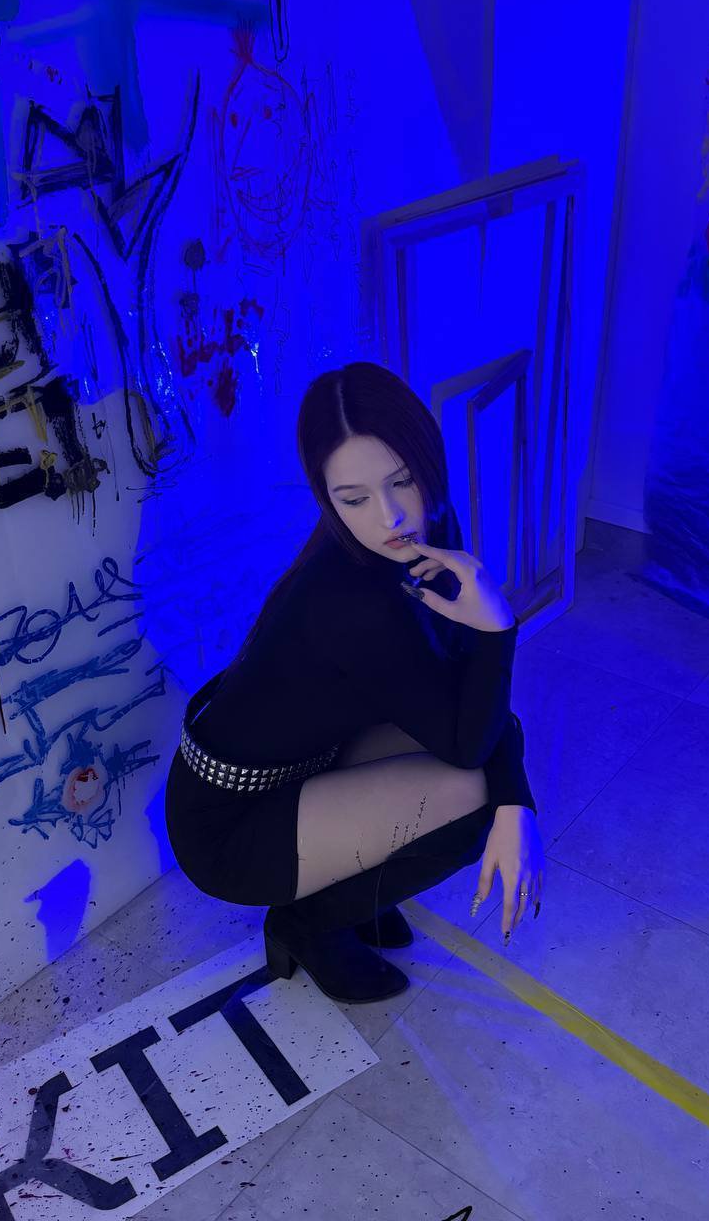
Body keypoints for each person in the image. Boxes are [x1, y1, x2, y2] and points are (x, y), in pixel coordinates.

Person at [164, 361, 545, 1005]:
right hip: (229, 825)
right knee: (471, 801)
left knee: (481, 760)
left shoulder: (428, 535)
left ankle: (350, 890)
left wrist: (520, 803)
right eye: (354, 499)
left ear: (428, 462)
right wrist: (497, 629)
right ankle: (307, 925)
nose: (391, 517)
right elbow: (471, 741)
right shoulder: (350, 599)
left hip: (307, 764)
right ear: (327, 499)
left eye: (403, 481)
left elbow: (474, 706)